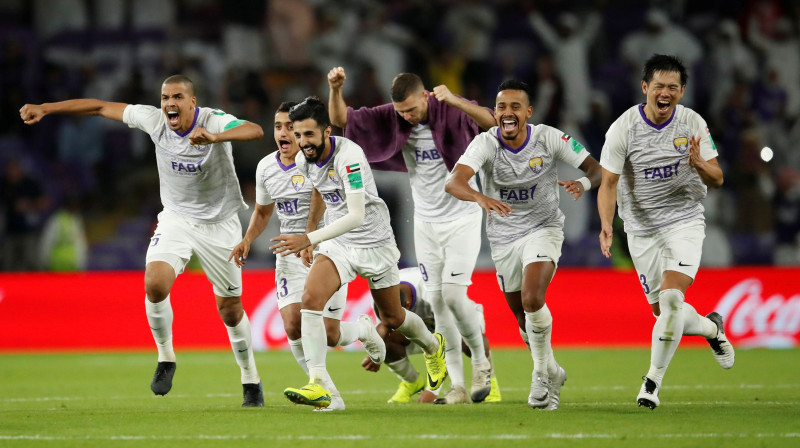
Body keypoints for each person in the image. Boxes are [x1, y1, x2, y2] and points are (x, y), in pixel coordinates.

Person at [19, 75, 267, 407]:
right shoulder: (154, 120)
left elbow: (255, 129)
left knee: (230, 309)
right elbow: (100, 107)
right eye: (165, 97)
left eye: (177, 97)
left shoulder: (212, 120)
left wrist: (216, 138)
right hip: (177, 218)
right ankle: (166, 358)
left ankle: (250, 379)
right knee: (155, 282)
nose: (169, 103)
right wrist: (46, 108)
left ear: (192, 102)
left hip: (220, 224)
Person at [328, 67, 496, 403]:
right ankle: (458, 388)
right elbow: (342, 120)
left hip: (462, 217)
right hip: (426, 222)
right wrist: (335, 89)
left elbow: (492, 123)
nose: (406, 116)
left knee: (451, 295)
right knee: (436, 301)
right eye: (401, 111)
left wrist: (457, 100)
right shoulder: (394, 118)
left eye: (412, 109)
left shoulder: (450, 109)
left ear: (426, 97)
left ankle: (481, 363)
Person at [269, 97, 447, 411]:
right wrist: (313, 235)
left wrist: (307, 236)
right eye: (297, 136)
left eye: (308, 135)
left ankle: (434, 348)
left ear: (326, 131)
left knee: (393, 317)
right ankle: (319, 384)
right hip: (338, 245)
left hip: (374, 242)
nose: (302, 143)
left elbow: (356, 215)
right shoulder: (302, 160)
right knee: (310, 302)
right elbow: (320, 191)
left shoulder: (349, 156)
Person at [445, 79, 602, 410]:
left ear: (528, 113)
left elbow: (596, 169)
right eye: (501, 107)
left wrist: (584, 182)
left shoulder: (549, 138)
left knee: (533, 298)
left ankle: (540, 376)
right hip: (503, 239)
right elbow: (453, 181)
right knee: (522, 318)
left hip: (543, 228)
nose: (507, 113)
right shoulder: (486, 143)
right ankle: (552, 369)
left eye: (515, 107)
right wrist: (479, 196)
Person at [596, 54, 735, 410]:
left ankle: (651, 383)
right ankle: (711, 328)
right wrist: (607, 225)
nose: (665, 92)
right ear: (645, 88)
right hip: (641, 231)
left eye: (673, 87)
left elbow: (717, 178)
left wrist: (701, 164)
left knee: (672, 301)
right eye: (659, 85)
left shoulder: (692, 123)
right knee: (667, 314)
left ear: (682, 91)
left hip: (684, 221)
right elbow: (608, 182)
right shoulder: (623, 128)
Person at [228, 101, 385, 398]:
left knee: (330, 333)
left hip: (327, 246)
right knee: (291, 324)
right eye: (278, 127)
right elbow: (263, 212)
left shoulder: (317, 160)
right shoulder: (266, 168)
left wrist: (311, 235)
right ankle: (325, 390)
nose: (284, 133)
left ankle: (364, 330)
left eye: (291, 127)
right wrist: (247, 238)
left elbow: (327, 196)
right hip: (289, 252)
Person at [360, 267, 502, 404]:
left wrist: (433, 389)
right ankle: (412, 382)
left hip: (459, 320)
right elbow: (385, 326)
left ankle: (487, 378)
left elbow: (448, 337)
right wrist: (375, 352)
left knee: (466, 338)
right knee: (387, 341)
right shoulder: (385, 297)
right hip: (426, 330)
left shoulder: (430, 291)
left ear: (408, 304)